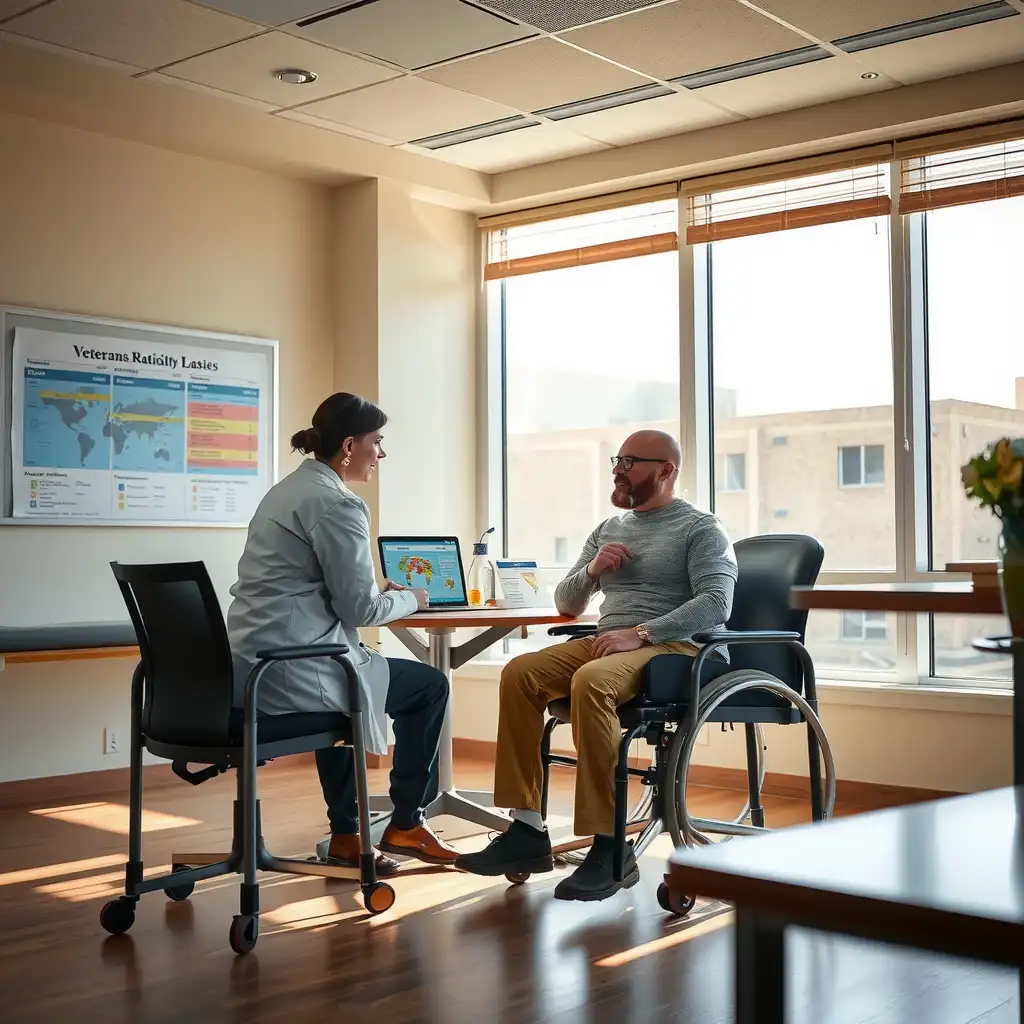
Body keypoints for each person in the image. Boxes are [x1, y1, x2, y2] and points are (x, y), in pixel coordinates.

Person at [455, 430, 738, 901]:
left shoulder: (701, 528)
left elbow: (716, 603)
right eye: (617, 459)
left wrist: (641, 633)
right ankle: (526, 830)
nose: (617, 469)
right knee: (520, 674)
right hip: (613, 642)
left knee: (591, 681)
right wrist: (591, 572)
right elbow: (567, 604)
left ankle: (609, 846)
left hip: (680, 649)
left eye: (630, 461)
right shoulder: (610, 529)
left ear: (666, 470)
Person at [226, 392, 459, 875]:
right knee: (429, 686)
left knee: (349, 686)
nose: (382, 453)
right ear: (351, 445)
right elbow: (361, 608)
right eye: (378, 441)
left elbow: (310, 583)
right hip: (295, 665)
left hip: (254, 663)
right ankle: (407, 823)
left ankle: (348, 835)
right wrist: (411, 598)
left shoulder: (287, 490)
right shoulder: (339, 504)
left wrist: (379, 587)